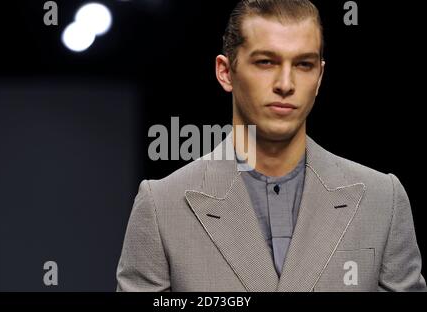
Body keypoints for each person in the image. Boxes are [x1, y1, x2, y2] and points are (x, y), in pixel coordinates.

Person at [116, 0, 426, 291]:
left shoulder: (382, 200)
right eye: (266, 62)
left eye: (303, 64)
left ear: (319, 76)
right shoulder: (163, 207)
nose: (286, 84)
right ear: (226, 72)